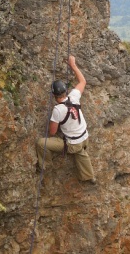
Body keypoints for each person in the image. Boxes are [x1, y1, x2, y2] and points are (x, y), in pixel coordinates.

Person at [36, 55, 96, 184]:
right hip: (85, 138)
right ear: (65, 91)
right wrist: (73, 66)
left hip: (73, 144)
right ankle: (89, 176)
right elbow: (82, 82)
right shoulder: (73, 97)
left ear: (54, 95)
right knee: (80, 153)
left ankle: (45, 165)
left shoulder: (58, 110)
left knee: (42, 143)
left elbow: (52, 132)